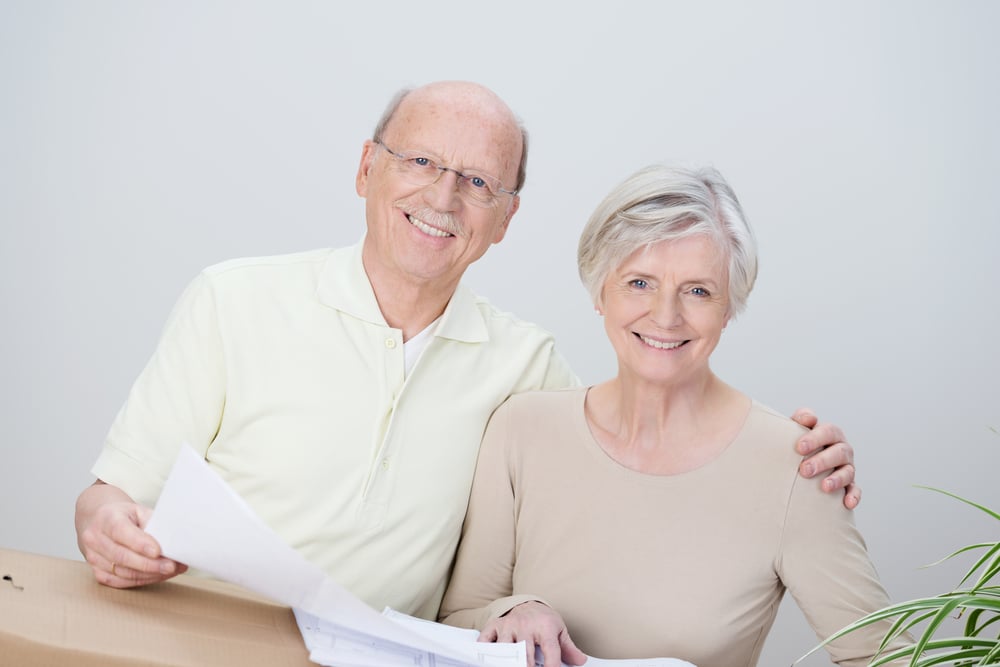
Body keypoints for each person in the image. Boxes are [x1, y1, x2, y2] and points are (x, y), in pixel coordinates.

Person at [74, 82, 859, 622]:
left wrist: (792, 460)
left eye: (479, 181)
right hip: (189, 637)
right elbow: (111, 495)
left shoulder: (526, 368)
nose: (443, 198)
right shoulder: (232, 300)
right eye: (420, 162)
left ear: (506, 218)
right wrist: (108, 526)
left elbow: (643, 433)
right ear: (365, 169)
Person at [439, 164, 905, 666]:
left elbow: (881, 658)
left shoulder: (797, 465)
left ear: (730, 308)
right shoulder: (521, 430)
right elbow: (454, 620)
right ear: (600, 292)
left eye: (698, 290)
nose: (666, 316)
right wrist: (515, 610)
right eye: (639, 282)